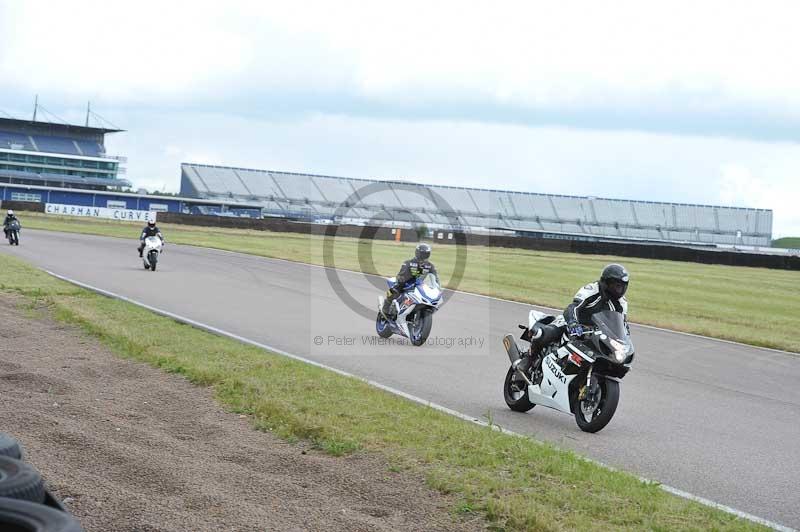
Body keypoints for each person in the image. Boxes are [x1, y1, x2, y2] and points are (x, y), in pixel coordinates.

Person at [518, 263, 630, 371]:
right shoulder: (592, 290)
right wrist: (573, 324)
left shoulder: (621, 302)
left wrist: (625, 340)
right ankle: (529, 358)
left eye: (622, 286)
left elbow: (622, 324)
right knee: (545, 333)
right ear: (606, 283)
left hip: (596, 333)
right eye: (617, 286)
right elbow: (573, 308)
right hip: (573, 323)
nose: (620, 290)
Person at [381, 243, 437, 318]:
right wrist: (401, 279)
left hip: (420, 285)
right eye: (422, 254)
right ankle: (385, 309)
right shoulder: (408, 263)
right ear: (418, 253)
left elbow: (434, 277)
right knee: (394, 290)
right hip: (406, 284)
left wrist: (436, 286)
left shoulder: (430, 266)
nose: (424, 256)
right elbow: (401, 273)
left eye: (426, 254)